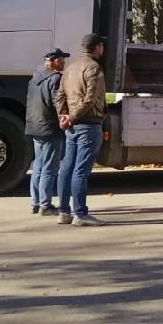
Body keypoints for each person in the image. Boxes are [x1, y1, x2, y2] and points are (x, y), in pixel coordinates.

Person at [54, 33, 109, 226]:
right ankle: (81, 214)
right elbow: (91, 98)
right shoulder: (93, 67)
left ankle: (63, 212)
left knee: (67, 168)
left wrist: (63, 116)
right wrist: (73, 116)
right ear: (97, 47)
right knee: (81, 171)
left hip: (71, 126)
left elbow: (59, 96)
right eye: (102, 46)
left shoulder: (70, 68)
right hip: (89, 124)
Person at [25, 47, 69, 216]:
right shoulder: (55, 79)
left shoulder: (35, 78)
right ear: (54, 61)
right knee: (49, 168)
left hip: (35, 126)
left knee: (38, 165)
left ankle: (35, 203)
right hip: (50, 128)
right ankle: (46, 205)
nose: (64, 62)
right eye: (61, 59)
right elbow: (58, 103)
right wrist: (65, 118)